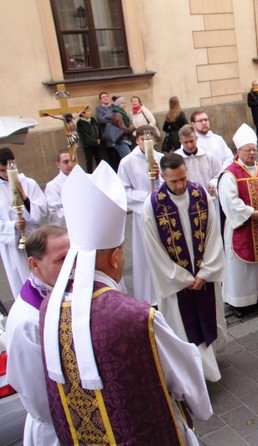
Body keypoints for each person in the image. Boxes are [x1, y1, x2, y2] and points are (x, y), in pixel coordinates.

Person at [40, 162, 212, 445]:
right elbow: (185, 373)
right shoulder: (137, 317)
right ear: (116, 258)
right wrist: (199, 407)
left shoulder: (50, 308)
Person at [143, 154, 227, 382]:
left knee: (208, 319)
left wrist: (205, 272)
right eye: (174, 181)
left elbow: (213, 234)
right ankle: (194, 372)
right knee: (183, 327)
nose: (180, 185)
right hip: (177, 283)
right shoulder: (152, 205)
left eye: (183, 178)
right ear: (162, 177)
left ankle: (208, 364)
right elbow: (154, 251)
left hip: (204, 276)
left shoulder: (200, 194)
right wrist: (182, 278)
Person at [5, 226, 69, 446]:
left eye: (74, 256)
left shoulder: (62, 290)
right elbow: (43, 401)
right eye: (61, 259)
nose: (73, 266)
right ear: (34, 265)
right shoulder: (27, 323)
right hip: (59, 431)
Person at [218, 124, 258, 318]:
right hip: (242, 226)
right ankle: (241, 301)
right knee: (241, 268)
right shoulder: (229, 174)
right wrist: (251, 213)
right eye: (248, 150)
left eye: (254, 149)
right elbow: (229, 202)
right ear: (238, 151)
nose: (253, 153)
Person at [117, 125, 163, 307]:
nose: (148, 143)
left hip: (162, 212)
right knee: (146, 254)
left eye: (151, 139)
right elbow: (123, 191)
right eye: (144, 139)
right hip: (142, 215)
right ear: (137, 141)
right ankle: (149, 297)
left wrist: (160, 177)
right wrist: (147, 197)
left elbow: (170, 182)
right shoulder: (127, 162)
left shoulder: (160, 159)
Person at [0, 147, 48, 298]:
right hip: (12, 246)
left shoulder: (29, 183)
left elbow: (42, 210)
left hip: (34, 238)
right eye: (1, 171)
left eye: (7, 170)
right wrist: (12, 226)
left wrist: (26, 201)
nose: (6, 175)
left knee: (43, 277)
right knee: (23, 283)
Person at [175, 124, 224, 196]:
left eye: (192, 141)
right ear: (180, 142)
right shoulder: (176, 159)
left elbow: (219, 174)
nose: (189, 145)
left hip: (207, 195)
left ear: (196, 138)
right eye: (186, 142)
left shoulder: (208, 155)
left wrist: (213, 183)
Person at [44, 149, 74, 227]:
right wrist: (76, 207)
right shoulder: (52, 186)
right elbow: (55, 215)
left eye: (71, 161)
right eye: (66, 162)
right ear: (58, 165)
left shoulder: (82, 179)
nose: (70, 165)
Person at [96, 91, 119, 170]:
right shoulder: (99, 108)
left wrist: (106, 116)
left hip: (117, 134)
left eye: (106, 96)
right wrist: (111, 118)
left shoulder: (114, 106)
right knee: (111, 156)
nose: (105, 98)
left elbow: (117, 117)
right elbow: (100, 120)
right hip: (108, 135)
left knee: (119, 155)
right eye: (103, 97)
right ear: (100, 100)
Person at [76, 106, 103, 172]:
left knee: (99, 160)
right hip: (88, 146)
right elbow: (84, 135)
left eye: (89, 111)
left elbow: (99, 128)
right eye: (88, 112)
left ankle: (101, 174)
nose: (90, 113)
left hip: (97, 143)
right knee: (89, 162)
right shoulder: (80, 123)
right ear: (83, 114)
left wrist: (100, 138)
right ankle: (89, 175)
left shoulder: (92, 119)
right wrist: (95, 141)